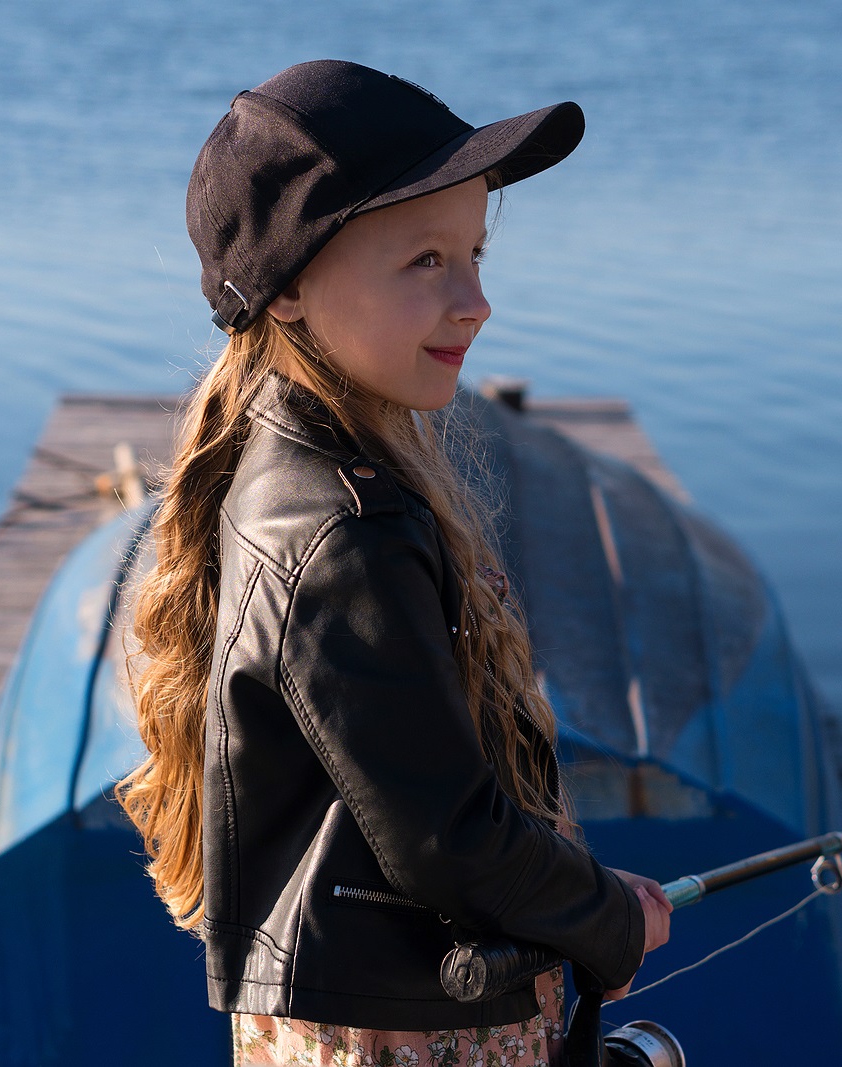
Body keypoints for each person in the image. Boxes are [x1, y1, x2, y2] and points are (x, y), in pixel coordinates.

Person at [116, 60, 672, 1067]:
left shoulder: (314, 475)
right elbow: (446, 837)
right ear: (286, 290)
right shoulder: (338, 532)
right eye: (424, 261)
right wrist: (608, 920)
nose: (475, 302)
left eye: (473, 256)